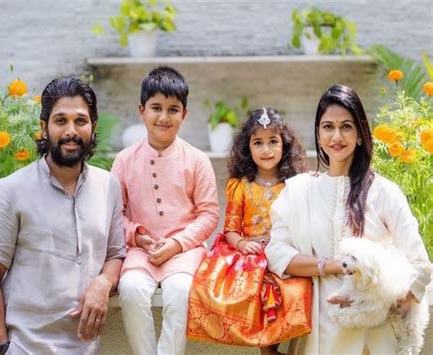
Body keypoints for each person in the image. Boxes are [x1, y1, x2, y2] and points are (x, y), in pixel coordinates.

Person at [265, 84, 431, 354]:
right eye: (328, 126)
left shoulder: (384, 192)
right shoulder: (298, 191)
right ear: (318, 134)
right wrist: (330, 266)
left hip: (373, 338)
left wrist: (378, 298)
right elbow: (276, 252)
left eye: (346, 126)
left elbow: (421, 267)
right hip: (315, 336)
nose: (337, 136)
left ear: (361, 134)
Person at [0, 77, 126, 354]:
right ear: (44, 128)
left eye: (80, 121)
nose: (71, 130)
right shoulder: (9, 190)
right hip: (25, 348)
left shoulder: (109, 186)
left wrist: (103, 283)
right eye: (60, 121)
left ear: (93, 127)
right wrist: (1, 350)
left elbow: (116, 254)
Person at [111, 66, 219, 355]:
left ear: (184, 114)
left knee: (181, 293)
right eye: (156, 107)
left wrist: (176, 243)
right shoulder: (123, 160)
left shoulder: (197, 160)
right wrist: (138, 236)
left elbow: (209, 214)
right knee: (131, 290)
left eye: (173, 109)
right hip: (141, 250)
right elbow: (114, 215)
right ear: (141, 110)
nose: (164, 117)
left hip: (185, 250)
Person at [187, 107, 311, 354]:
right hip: (249, 254)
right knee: (251, 287)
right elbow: (230, 230)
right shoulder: (240, 186)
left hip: (285, 251)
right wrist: (243, 245)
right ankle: (267, 349)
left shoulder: (295, 185)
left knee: (296, 288)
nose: (266, 150)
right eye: (258, 143)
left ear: (284, 146)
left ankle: (274, 348)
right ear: (248, 147)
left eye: (273, 142)